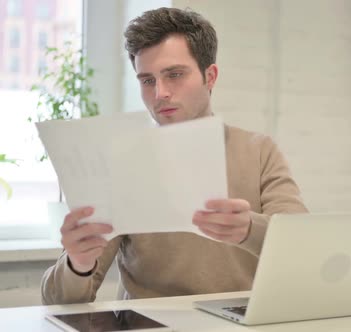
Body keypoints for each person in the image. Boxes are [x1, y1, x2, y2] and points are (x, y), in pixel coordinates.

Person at [41, 7, 307, 305]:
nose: (160, 93)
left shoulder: (259, 151)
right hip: (146, 325)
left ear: (211, 76)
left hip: (238, 323)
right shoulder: (121, 162)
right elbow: (58, 302)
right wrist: (78, 264)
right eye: (147, 80)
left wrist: (249, 229)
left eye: (175, 75)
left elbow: (303, 247)